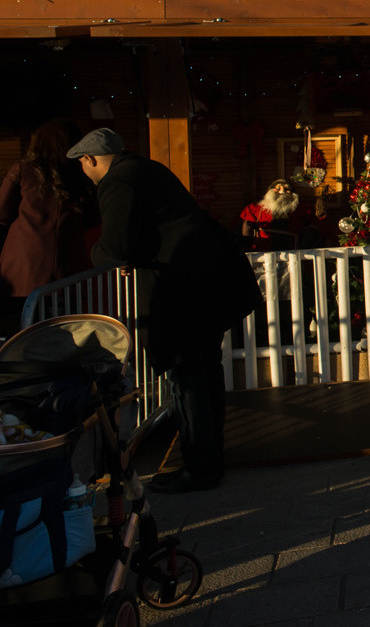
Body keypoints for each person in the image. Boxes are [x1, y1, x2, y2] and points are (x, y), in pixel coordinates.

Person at [69, 128, 259, 493]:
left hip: (183, 290)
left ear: (90, 159)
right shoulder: (147, 169)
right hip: (210, 282)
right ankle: (209, 459)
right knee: (206, 371)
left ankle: (200, 466)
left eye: (83, 165)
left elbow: (117, 243)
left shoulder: (117, 182)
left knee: (186, 376)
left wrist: (102, 255)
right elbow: (155, 228)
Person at [1, 120, 95, 336]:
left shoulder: (23, 171)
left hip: (21, 276)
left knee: (18, 338)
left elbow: (2, 214)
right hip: (67, 274)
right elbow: (92, 219)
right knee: (63, 337)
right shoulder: (81, 177)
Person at [239, 179, 303, 252]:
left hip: (293, 252)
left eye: (287, 189)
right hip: (263, 252)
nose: (282, 191)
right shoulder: (254, 209)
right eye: (278, 188)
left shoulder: (302, 210)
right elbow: (246, 231)